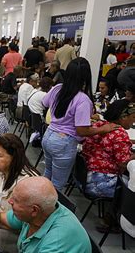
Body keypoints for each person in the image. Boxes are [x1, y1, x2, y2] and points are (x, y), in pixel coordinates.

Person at [42, 57, 118, 190]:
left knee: (47, 175)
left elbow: (44, 103)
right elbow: (82, 131)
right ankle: (49, 209)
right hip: (63, 142)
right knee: (57, 186)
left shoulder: (58, 88)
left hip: (48, 135)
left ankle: (38, 205)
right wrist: (103, 129)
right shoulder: (83, 99)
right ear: (86, 76)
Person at [83, 100, 135, 199]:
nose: (134, 121)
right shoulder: (120, 134)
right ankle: (115, 213)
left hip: (86, 176)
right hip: (101, 183)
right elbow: (124, 164)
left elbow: (109, 142)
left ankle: (110, 213)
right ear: (123, 117)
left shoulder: (99, 125)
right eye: (133, 117)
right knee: (132, 187)